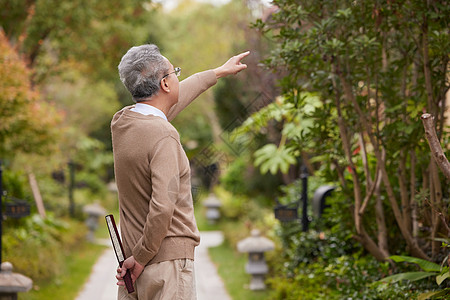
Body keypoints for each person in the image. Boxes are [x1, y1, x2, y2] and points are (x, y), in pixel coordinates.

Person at [111, 44, 249, 300]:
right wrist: (141, 258)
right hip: (167, 265)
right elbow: (163, 205)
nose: (178, 78)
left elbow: (167, 105)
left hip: (132, 267)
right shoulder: (164, 135)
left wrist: (217, 73)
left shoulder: (123, 123)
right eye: (175, 72)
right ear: (164, 84)